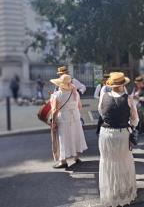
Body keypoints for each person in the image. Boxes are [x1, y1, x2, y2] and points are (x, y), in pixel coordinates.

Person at [98, 72, 139, 207]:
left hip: (105, 134)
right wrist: (131, 126)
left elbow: (101, 112)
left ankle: (111, 193)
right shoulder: (129, 99)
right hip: (121, 134)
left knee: (109, 163)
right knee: (123, 162)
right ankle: (123, 192)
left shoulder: (103, 96)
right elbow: (135, 119)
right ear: (123, 84)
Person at [50, 74, 88, 169]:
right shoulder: (75, 93)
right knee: (75, 136)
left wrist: (53, 122)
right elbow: (80, 107)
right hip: (75, 118)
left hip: (64, 119)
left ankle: (63, 161)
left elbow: (55, 110)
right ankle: (76, 157)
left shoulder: (58, 95)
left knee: (63, 139)